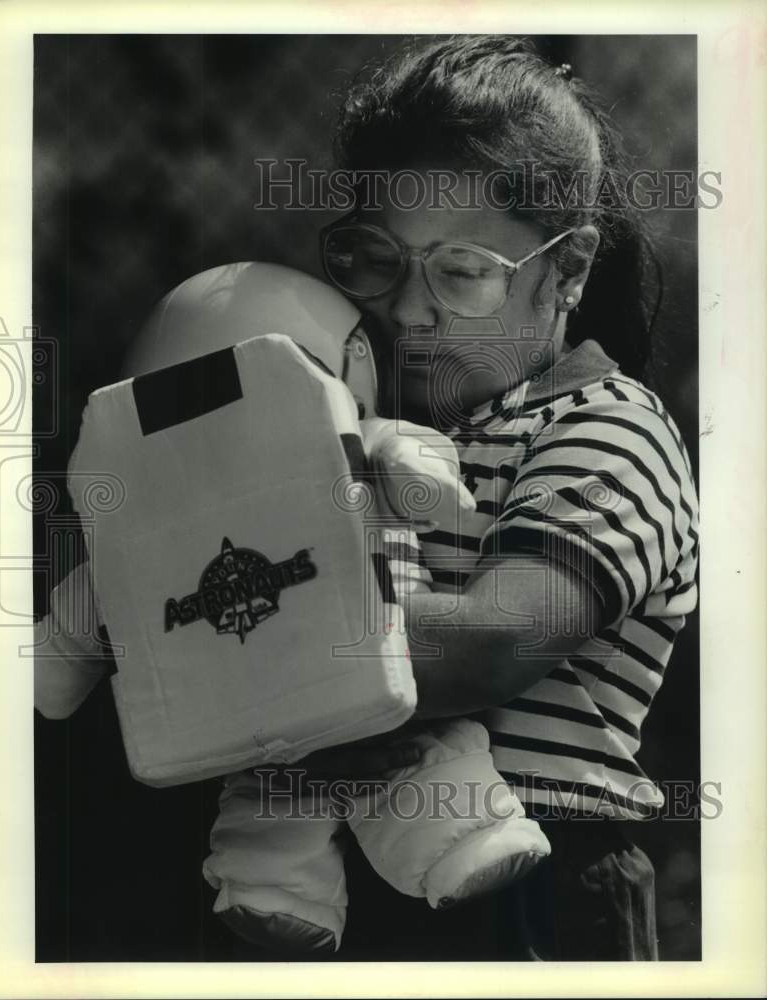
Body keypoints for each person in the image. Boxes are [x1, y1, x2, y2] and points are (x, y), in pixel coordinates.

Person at [270, 34, 699, 961]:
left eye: (461, 272)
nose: (408, 310)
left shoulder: (607, 428)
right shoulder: (360, 426)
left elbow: (496, 642)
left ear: (570, 268)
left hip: (532, 894)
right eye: (376, 259)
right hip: (346, 887)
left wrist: (245, 646)